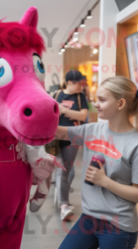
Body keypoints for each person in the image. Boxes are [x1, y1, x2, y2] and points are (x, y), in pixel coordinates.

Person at [50, 76, 138, 249]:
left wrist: (104, 181)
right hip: (89, 218)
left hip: (118, 226)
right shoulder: (93, 130)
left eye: (102, 100)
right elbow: (58, 132)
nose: (95, 104)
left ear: (120, 104)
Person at [55, 70, 88, 221]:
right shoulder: (57, 95)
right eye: (78, 83)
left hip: (72, 138)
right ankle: (61, 199)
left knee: (66, 171)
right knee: (58, 169)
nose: (82, 85)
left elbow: (83, 116)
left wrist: (64, 110)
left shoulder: (81, 97)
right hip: (54, 138)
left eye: (82, 82)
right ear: (69, 83)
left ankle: (63, 205)